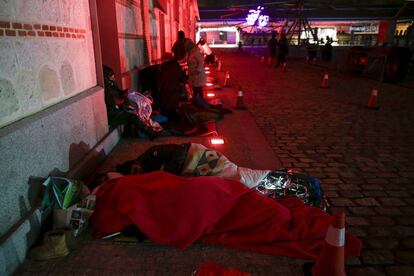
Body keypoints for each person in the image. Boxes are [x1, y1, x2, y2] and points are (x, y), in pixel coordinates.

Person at [103, 65, 159, 139]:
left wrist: (126, 93)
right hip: (113, 114)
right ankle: (150, 133)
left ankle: (128, 133)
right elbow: (115, 101)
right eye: (111, 76)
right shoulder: (107, 89)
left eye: (113, 75)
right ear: (106, 77)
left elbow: (120, 93)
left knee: (133, 111)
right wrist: (124, 97)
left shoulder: (112, 86)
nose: (113, 77)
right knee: (132, 116)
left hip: (117, 110)